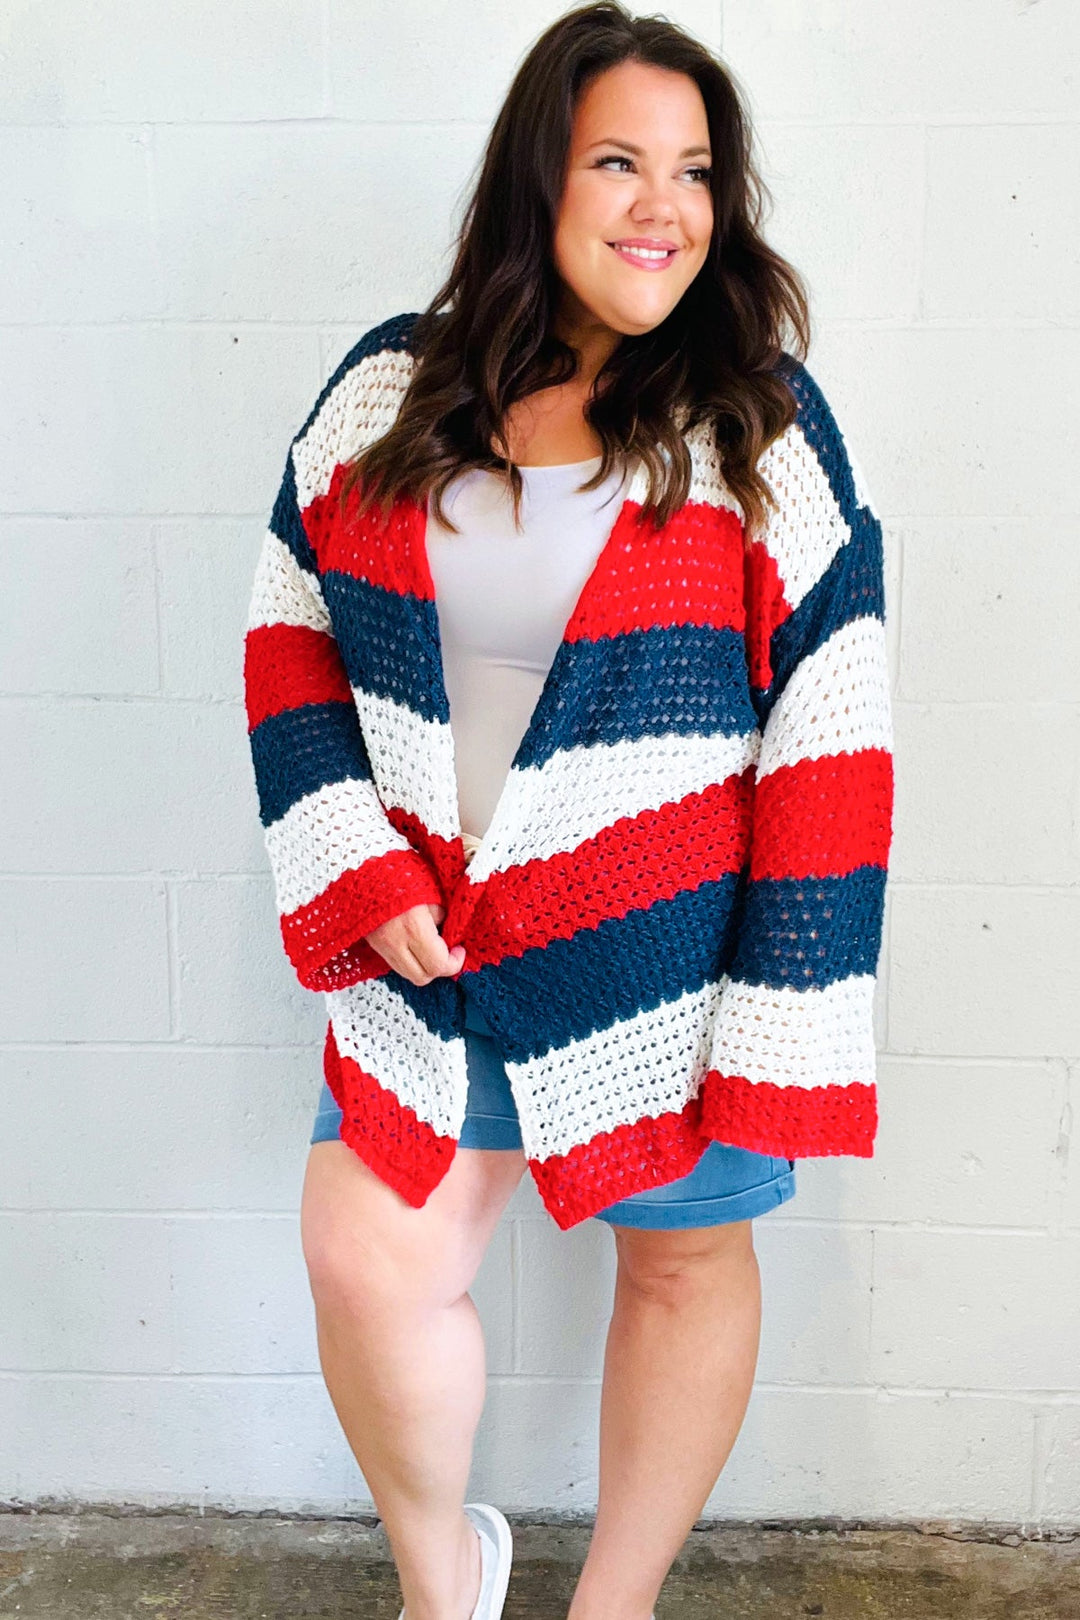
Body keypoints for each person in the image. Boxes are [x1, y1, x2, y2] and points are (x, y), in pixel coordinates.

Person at [242, 5, 894, 1618]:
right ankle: (437, 1580)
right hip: (431, 951)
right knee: (365, 1253)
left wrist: (781, 1015)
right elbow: (289, 630)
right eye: (619, 161)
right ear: (541, 173)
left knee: (679, 1267)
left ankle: (614, 1604)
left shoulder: (759, 424)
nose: (662, 206)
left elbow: (836, 725)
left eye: (694, 172)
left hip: (678, 973)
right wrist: (348, 849)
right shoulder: (392, 388)